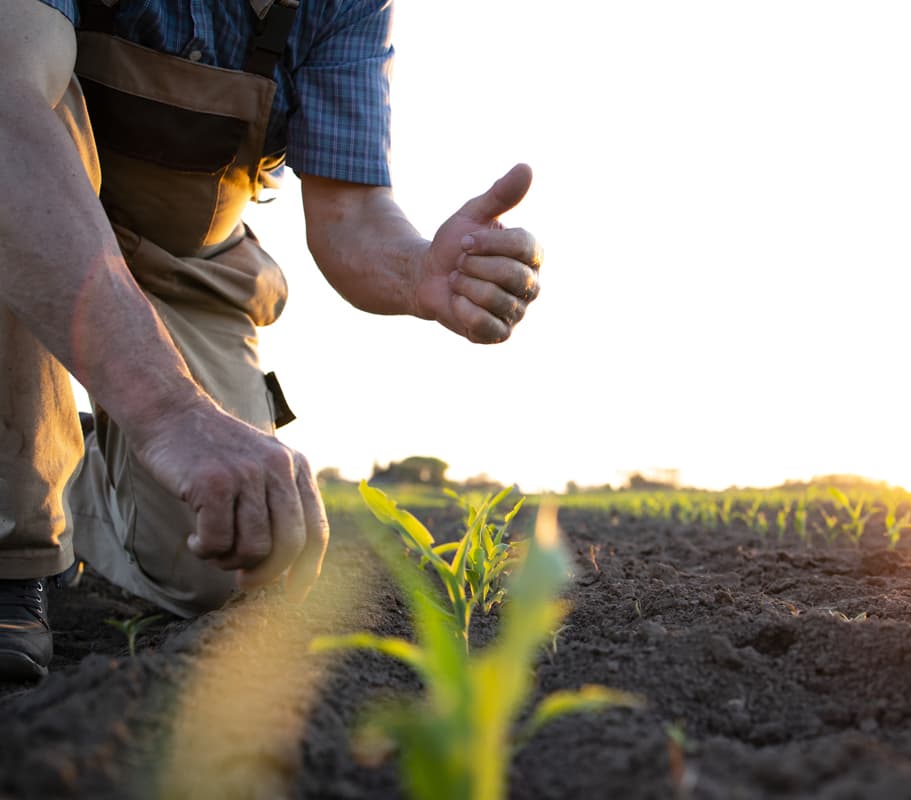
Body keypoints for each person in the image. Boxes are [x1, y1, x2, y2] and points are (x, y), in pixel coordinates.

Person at [0, 0, 543, 682]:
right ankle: (13, 550)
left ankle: (68, 472)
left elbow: (349, 214)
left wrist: (418, 270)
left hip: (187, 260)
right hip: (34, 203)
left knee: (226, 551)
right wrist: (173, 415)